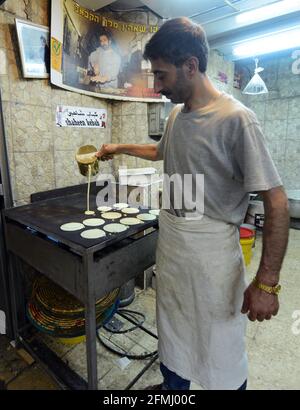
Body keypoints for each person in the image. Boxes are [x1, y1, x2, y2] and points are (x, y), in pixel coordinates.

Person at [96, 18, 289, 390]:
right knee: (173, 330)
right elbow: (160, 151)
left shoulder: (236, 119)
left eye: (162, 76)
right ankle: (173, 391)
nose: (157, 86)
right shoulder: (175, 116)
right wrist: (117, 147)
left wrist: (267, 283)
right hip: (174, 245)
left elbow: (276, 201)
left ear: (190, 65)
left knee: (218, 344)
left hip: (211, 253)